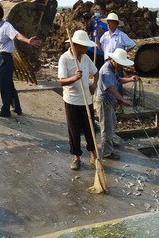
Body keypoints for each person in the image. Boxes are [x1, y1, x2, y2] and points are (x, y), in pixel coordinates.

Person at [0, 1, 41, 117]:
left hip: (6, 59)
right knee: (9, 84)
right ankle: (17, 108)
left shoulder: (6, 26)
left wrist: (28, 41)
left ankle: (5, 110)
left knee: (4, 85)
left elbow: (17, 35)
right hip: (1, 57)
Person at [58, 29, 99, 170]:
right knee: (74, 130)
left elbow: (96, 72)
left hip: (86, 100)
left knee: (90, 129)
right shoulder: (64, 58)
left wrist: (94, 84)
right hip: (72, 100)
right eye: (84, 45)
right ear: (76, 45)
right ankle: (77, 157)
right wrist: (74, 78)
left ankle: (94, 155)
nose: (87, 48)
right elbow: (62, 81)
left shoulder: (86, 58)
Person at [95, 47, 135, 159]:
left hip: (109, 101)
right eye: (121, 64)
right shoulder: (107, 71)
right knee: (106, 127)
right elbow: (111, 88)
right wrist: (122, 100)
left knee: (112, 122)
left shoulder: (113, 68)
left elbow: (118, 80)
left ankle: (110, 142)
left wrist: (130, 79)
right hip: (104, 101)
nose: (122, 66)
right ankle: (107, 152)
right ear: (114, 60)